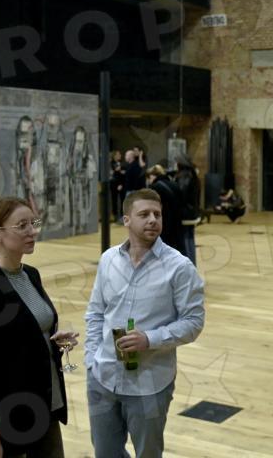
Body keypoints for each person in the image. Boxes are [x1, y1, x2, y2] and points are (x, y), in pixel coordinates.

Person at [85, 188, 205, 458]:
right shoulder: (108, 260)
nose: (153, 220)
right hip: (103, 378)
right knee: (105, 453)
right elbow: (95, 313)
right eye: (144, 214)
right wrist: (92, 361)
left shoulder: (180, 267)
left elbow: (194, 322)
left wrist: (149, 339)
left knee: (148, 453)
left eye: (157, 214)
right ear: (126, 220)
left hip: (150, 385)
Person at [0, 197, 78, 457]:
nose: (33, 231)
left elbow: (23, 335)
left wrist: (51, 340)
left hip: (46, 406)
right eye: (22, 225)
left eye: (34, 223)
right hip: (11, 422)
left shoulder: (30, 275)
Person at [146, 164, 185, 254]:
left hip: (163, 223)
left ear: (153, 175)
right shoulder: (175, 184)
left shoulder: (154, 188)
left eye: (149, 177)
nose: (148, 180)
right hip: (177, 222)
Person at [173, 154, 200, 264]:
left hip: (184, 212)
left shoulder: (184, 177)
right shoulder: (193, 175)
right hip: (192, 211)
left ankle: (189, 265)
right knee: (190, 238)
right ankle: (191, 265)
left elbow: (181, 195)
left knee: (185, 240)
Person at [110, 150, 126, 222]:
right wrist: (118, 171)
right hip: (114, 184)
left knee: (123, 200)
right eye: (118, 154)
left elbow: (124, 173)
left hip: (122, 184)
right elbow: (112, 173)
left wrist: (121, 184)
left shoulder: (123, 163)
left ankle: (122, 216)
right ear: (114, 156)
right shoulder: (111, 163)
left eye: (120, 154)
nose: (120, 156)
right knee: (114, 200)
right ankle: (115, 216)